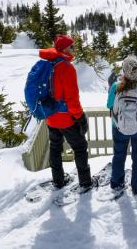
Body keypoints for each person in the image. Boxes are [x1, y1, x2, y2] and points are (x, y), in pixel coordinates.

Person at [40, 34, 95, 192]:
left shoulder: (49, 63)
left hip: (51, 116)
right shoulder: (66, 67)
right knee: (80, 148)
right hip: (65, 118)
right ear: (64, 48)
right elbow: (72, 99)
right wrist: (80, 117)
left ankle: (58, 181)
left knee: (55, 148)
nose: (74, 49)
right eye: (72, 46)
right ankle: (85, 182)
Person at [106, 55, 137, 196]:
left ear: (124, 71)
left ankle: (116, 183)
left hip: (119, 127)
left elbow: (109, 105)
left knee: (119, 155)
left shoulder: (116, 87)